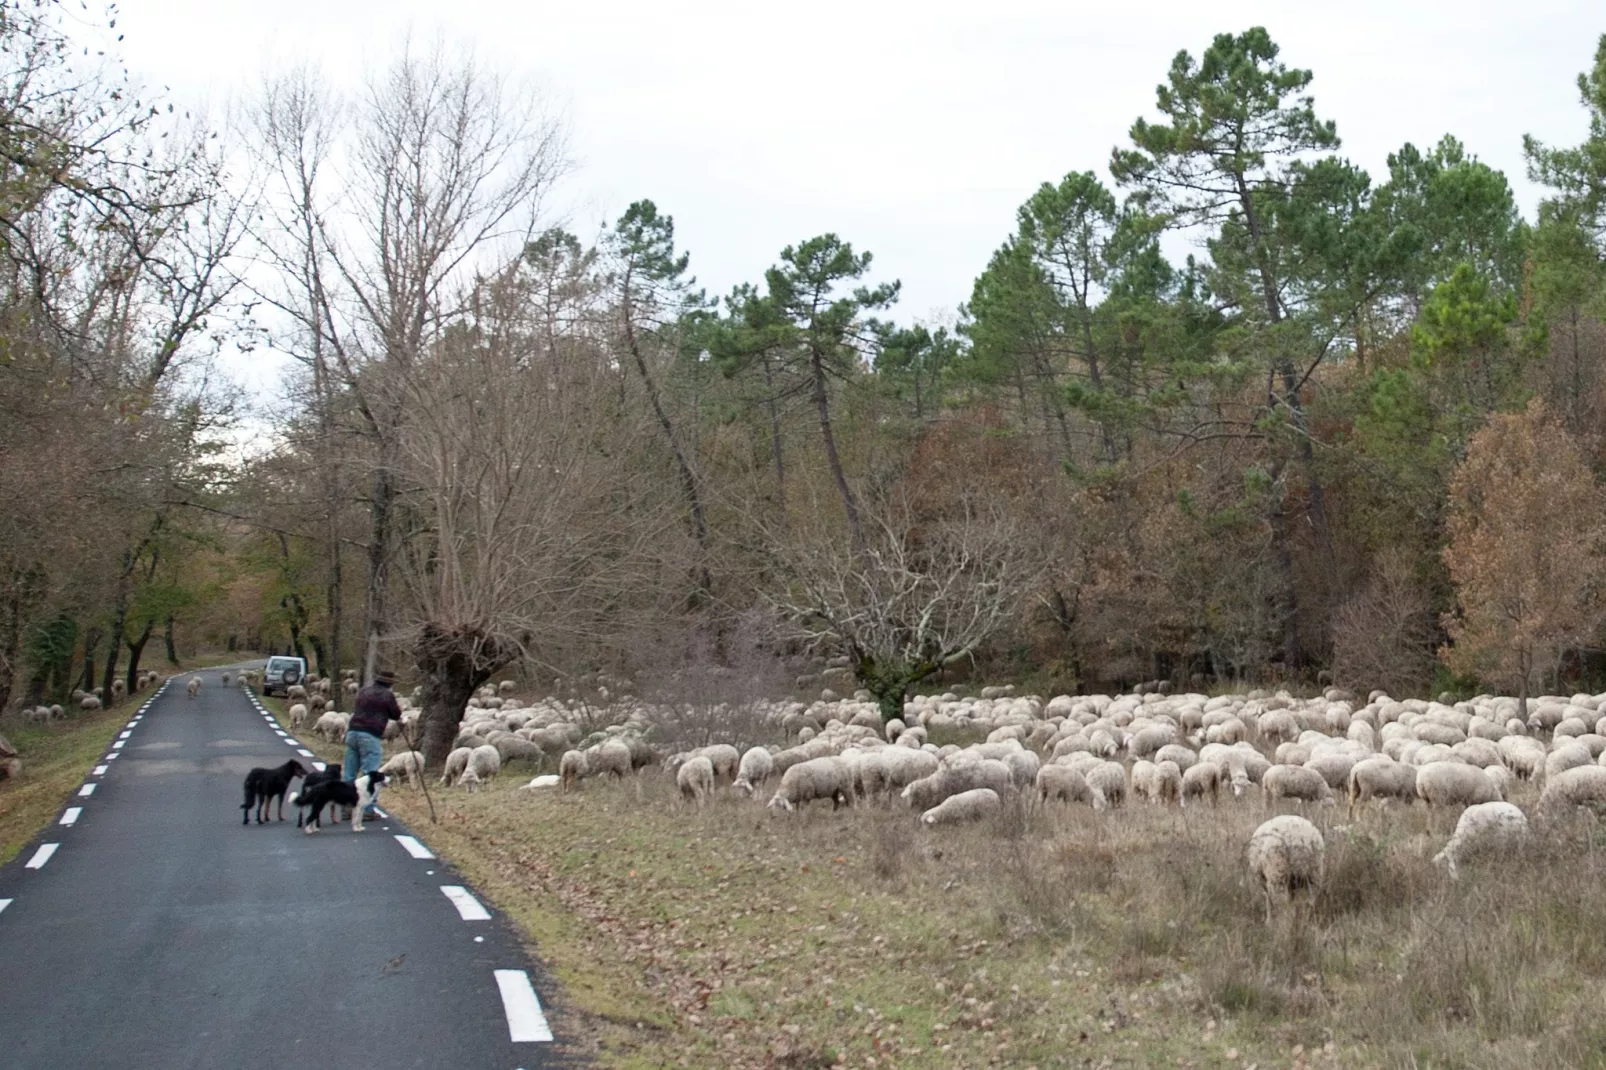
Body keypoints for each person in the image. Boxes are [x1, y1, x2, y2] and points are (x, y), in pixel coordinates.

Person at [344, 669, 403, 818]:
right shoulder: (387, 695)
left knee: (350, 772)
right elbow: (396, 714)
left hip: (352, 732)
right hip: (370, 734)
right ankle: (368, 809)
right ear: (389, 683)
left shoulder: (364, 691)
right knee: (370, 773)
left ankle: (346, 806)